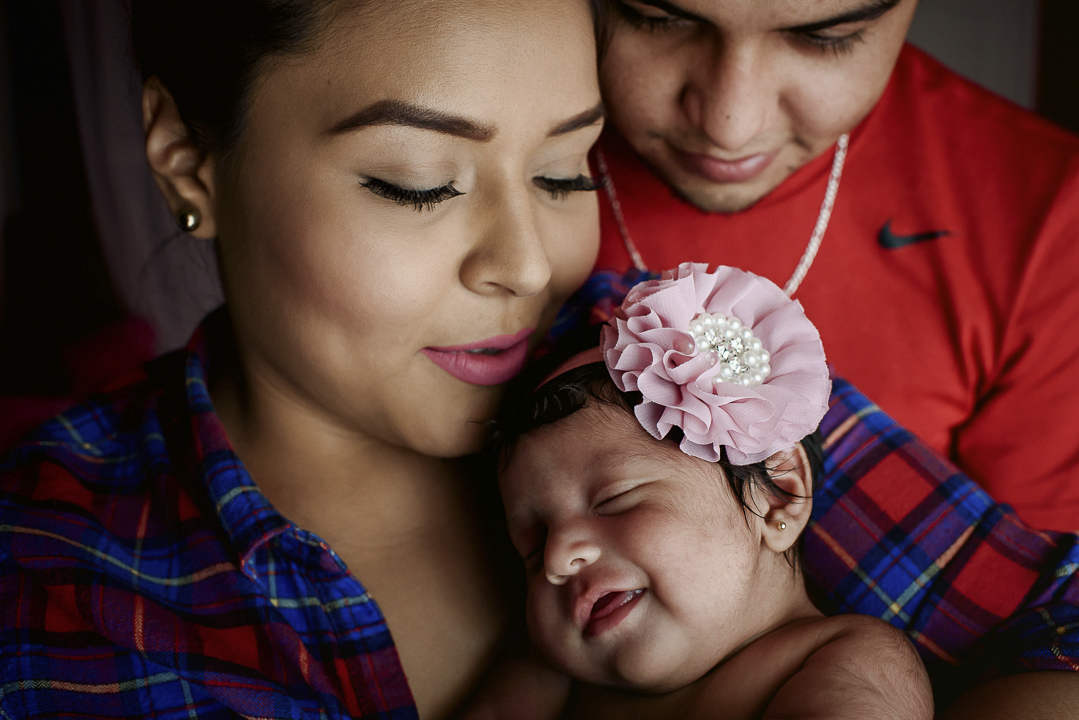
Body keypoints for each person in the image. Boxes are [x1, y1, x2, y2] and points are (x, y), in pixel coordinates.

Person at [0, 0, 1076, 717]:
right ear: (189, 159)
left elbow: (1055, 624)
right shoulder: (57, 577)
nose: (527, 265)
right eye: (419, 182)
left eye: (566, 171)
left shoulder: (657, 364)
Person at [591, 0, 1079, 532]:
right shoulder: (502, 140)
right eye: (658, 19)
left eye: (826, 36)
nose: (729, 125)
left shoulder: (1047, 216)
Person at [469, 264, 934, 719]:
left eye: (614, 501)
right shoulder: (554, 676)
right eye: (530, 549)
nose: (557, 559)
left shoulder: (838, 657)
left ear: (778, 499)